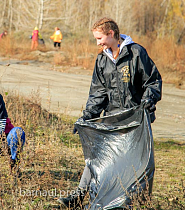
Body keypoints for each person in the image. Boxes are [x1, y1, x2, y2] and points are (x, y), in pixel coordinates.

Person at [57, 17, 162, 209]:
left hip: (135, 122)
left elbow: (153, 82)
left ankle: (130, 203)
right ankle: (79, 197)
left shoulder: (136, 53)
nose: (97, 43)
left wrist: (148, 100)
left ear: (111, 34)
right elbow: (98, 93)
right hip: (113, 120)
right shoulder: (102, 59)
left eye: (100, 38)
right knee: (99, 158)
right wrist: (87, 116)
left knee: (134, 165)